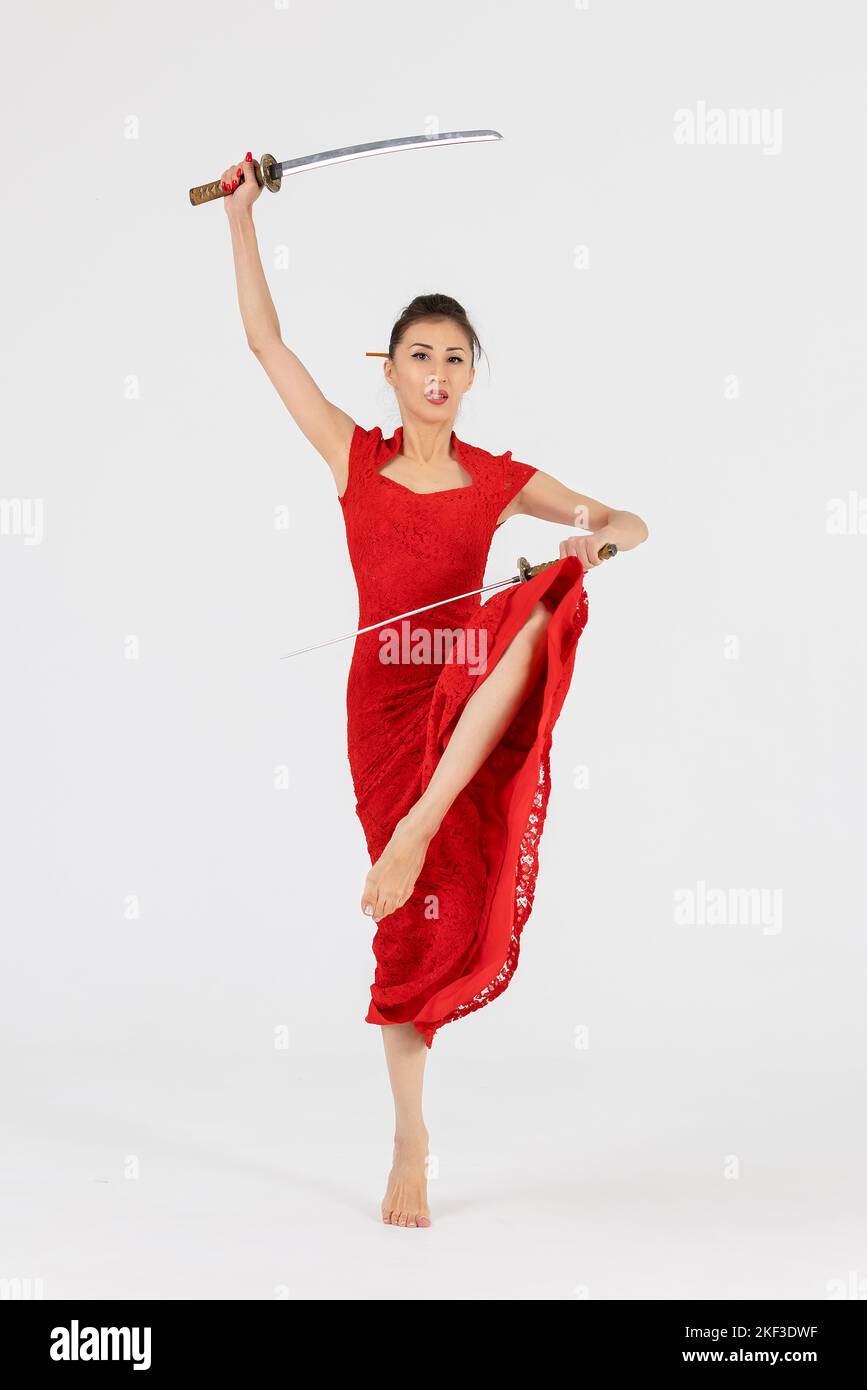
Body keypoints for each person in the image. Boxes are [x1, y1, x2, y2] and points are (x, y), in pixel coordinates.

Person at [219, 154, 649, 1228]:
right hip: (383, 706)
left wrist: (584, 554)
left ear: (471, 374)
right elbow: (266, 346)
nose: (440, 370)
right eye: (422, 355)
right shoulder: (353, 458)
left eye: (457, 357)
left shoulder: (496, 481)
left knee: (542, 605)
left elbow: (627, 520)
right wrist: (239, 218)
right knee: (409, 924)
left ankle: (419, 827)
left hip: (467, 683)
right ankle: (411, 1135)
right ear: (393, 369)